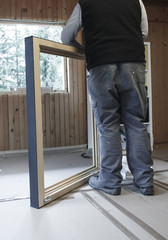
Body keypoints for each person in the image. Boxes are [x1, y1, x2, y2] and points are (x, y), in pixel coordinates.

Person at [61, 0, 154, 196]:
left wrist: (85, 49)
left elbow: (66, 36)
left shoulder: (85, 3)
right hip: (133, 63)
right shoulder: (136, 1)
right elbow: (143, 33)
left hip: (101, 63)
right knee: (135, 121)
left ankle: (110, 181)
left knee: (108, 124)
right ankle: (145, 181)